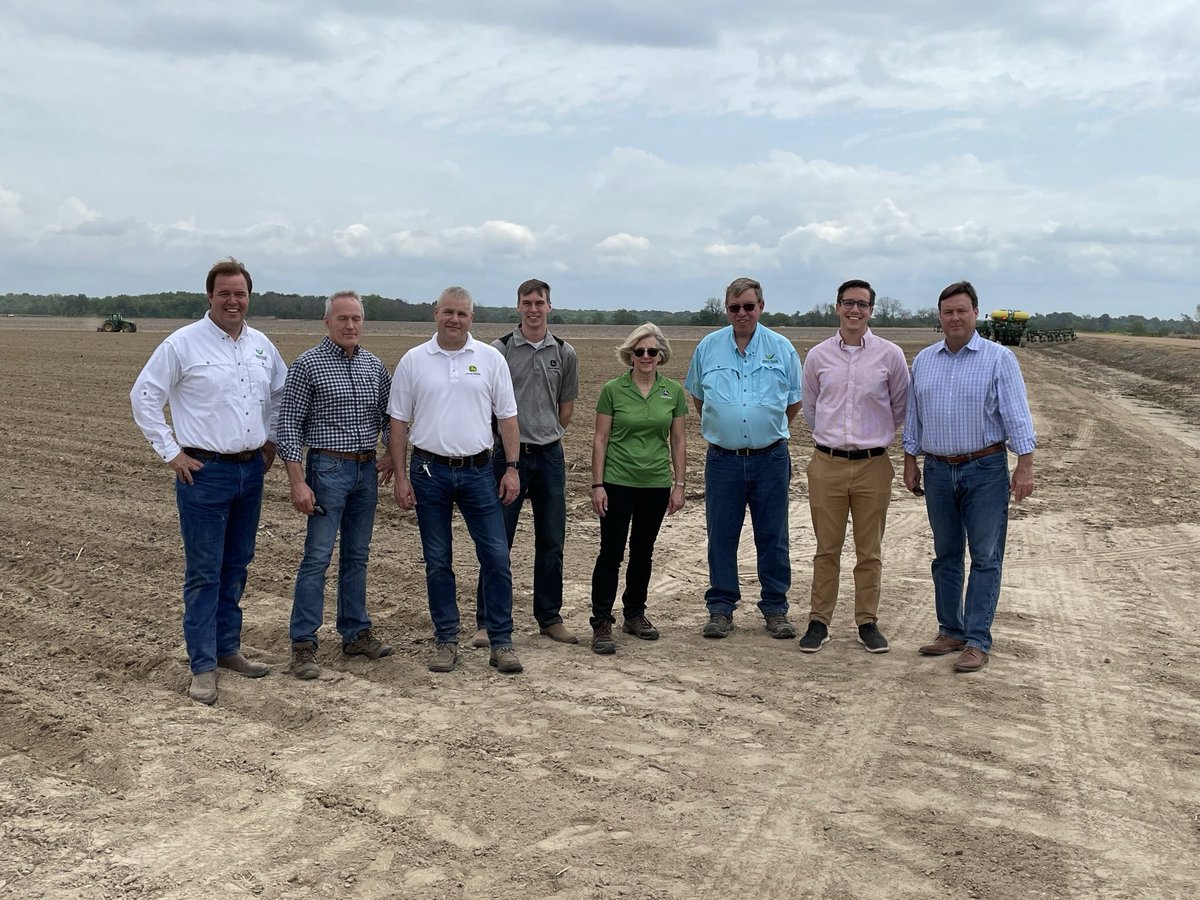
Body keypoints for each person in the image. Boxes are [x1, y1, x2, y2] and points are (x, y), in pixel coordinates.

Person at [130, 257, 287, 705]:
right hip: (205, 472)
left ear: (248, 297)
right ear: (210, 297)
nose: (233, 301)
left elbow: (279, 392)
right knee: (204, 572)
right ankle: (201, 665)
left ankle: (226, 649)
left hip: (250, 471)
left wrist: (271, 440)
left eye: (240, 294)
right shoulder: (183, 344)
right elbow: (144, 397)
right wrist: (171, 452)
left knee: (237, 564)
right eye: (225, 294)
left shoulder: (260, 345)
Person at [388, 286, 525, 674]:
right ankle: (446, 639)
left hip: (479, 471)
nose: (454, 319)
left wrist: (511, 467)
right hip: (428, 472)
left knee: (496, 556)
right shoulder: (414, 361)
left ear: (472, 318)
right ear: (435, 313)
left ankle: (501, 641)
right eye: (448, 312)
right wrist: (401, 477)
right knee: (438, 560)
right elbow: (398, 422)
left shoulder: (490, 359)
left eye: (462, 314)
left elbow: (508, 418)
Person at [903, 280, 1036, 673]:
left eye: (962, 311)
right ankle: (951, 630)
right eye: (948, 312)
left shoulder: (998, 359)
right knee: (945, 556)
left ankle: (977, 639)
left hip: (985, 470)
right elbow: (915, 416)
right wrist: (910, 459)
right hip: (939, 470)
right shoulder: (925, 360)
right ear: (940, 316)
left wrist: (1024, 464)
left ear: (976, 313)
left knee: (984, 557)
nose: (955, 318)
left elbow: (1016, 414)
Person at [277, 290, 396, 681]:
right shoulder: (308, 365)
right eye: (342, 319)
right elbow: (289, 426)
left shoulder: (375, 367)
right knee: (317, 558)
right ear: (326, 322)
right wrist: (298, 483)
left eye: (356, 319)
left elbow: (388, 417)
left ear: (363, 322)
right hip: (326, 470)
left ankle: (356, 632)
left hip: (365, 474)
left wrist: (392, 456)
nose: (350, 325)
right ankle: (303, 644)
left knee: (357, 557)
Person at [684, 277, 803, 640]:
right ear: (727, 309)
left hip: (770, 458)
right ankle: (720, 608)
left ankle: (775, 608)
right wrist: (728, 425)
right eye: (735, 308)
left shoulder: (782, 348)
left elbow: (793, 402)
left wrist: (764, 428)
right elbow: (699, 399)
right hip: (724, 460)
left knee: (773, 535)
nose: (742, 314)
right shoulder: (708, 347)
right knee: (721, 535)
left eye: (749, 307)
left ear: (761, 306)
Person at [799, 279, 909, 654]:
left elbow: (898, 408)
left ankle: (867, 622)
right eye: (848, 303)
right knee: (826, 549)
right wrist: (833, 440)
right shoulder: (817, 356)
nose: (855, 310)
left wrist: (871, 438)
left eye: (862, 304)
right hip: (827, 463)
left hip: (873, 466)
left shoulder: (890, 355)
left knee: (869, 550)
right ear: (837, 307)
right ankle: (819, 621)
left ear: (871, 310)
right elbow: (812, 410)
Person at [470, 279, 579, 648]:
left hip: (550, 457)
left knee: (552, 541)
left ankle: (549, 617)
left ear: (550, 306)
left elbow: (565, 411)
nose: (534, 309)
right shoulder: (497, 351)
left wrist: (544, 431)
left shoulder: (564, 353)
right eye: (527, 302)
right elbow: (487, 407)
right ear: (518, 306)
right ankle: (487, 621)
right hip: (507, 459)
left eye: (540, 302)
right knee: (498, 542)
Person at [589, 324, 687, 654]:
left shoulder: (672, 391)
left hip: (655, 484)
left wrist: (679, 484)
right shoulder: (613, 390)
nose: (645, 357)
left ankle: (635, 613)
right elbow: (600, 439)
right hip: (617, 482)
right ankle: (601, 621)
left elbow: (678, 439)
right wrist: (597, 484)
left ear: (661, 356)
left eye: (652, 352)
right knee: (611, 552)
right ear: (630, 355)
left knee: (643, 551)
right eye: (639, 351)